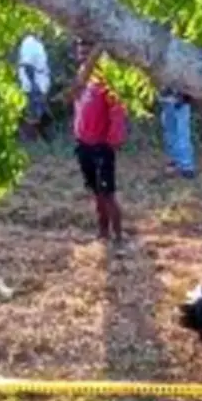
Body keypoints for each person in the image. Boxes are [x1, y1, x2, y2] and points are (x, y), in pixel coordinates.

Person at [67, 38, 128, 251]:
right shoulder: (81, 77)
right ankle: (102, 233)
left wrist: (114, 139)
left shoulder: (106, 79)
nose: (83, 55)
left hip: (102, 145)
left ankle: (119, 237)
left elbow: (117, 110)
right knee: (95, 192)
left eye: (88, 52)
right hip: (83, 144)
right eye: (80, 51)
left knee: (107, 192)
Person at [16, 33, 51, 141]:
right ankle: (31, 139)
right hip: (34, 87)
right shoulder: (30, 42)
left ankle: (40, 139)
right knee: (34, 116)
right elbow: (27, 67)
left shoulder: (37, 43)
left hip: (39, 85)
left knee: (40, 116)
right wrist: (35, 90)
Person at [159, 85, 196, 179]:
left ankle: (186, 166)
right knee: (170, 133)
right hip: (166, 99)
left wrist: (184, 96)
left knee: (182, 133)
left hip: (182, 101)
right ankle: (174, 162)